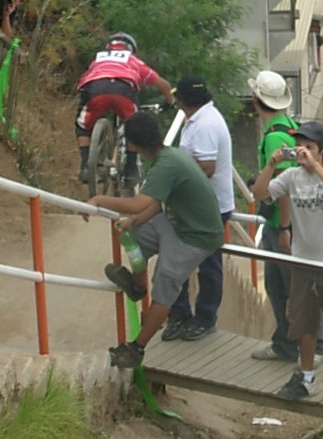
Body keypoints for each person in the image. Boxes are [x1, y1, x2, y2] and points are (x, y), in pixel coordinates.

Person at [86, 110, 225, 369]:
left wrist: (99, 199)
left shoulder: (167, 164)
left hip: (196, 236)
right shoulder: (165, 158)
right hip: (178, 222)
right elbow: (155, 203)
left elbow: (139, 202)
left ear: (134, 145)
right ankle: (138, 287)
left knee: (165, 285)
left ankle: (135, 349)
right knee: (134, 237)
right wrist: (135, 221)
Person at [252, 121, 323, 402]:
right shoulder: (291, 176)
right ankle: (306, 377)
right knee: (304, 323)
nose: (303, 152)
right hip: (302, 262)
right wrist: (271, 165)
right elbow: (258, 194)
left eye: (310, 147)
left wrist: (315, 167)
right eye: (300, 146)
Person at [249, 71, 323, 366]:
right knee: (281, 286)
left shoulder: (274, 139)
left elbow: (283, 190)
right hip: (290, 224)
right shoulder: (290, 128)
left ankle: (312, 346)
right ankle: (285, 343)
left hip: (281, 226)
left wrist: (283, 228)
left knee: (293, 289)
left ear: (256, 100)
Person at [161, 76, 234, 342]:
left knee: (207, 262)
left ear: (181, 100)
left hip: (208, 207)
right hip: (193, 205)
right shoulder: (198, 119)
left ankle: (204, 318)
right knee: (177, 258)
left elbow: (206, 168)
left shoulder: (205, 125)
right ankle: (179, 314)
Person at [75, 33, 174, 186]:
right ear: (131, 48)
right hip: (123, 91)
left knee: (82, 126)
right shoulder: (133, 61)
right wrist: (170, 103)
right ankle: (130, 170)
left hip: (96, 88)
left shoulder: (98, 59)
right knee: (134, 127)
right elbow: (164, 85)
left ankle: (86, 167)